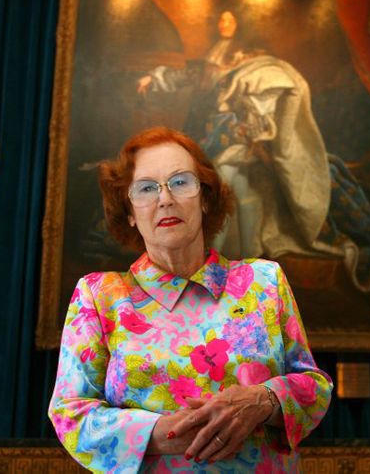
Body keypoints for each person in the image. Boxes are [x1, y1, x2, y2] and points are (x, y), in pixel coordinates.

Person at [49, 127, 332, 473]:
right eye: (146, 188)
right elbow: (70, 414)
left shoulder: (265, 281)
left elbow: (314, 387)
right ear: (130, 213)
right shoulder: (98, 296)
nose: (165, 198)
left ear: (206, 198)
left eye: (181, 182)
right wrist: (167, 434)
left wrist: (263, 399)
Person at [137, 11, 370, 293]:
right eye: (220, 20)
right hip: (229, 143)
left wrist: (254, 142)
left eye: (230, 20)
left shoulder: (263, 69)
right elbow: (198, 78)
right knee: (212, 172)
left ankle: (227, 267)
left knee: (234, 174)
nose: (224, 25)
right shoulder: (222, 64)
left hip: (258, 150)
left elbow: (266, 125)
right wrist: (156, 78)